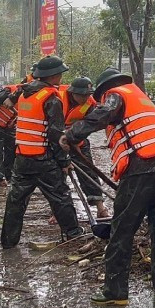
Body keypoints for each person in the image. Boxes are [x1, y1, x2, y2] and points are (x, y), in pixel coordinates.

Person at [64, 67, 155, 306]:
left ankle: (116, 292)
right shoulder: (140, 98)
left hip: (142, 165)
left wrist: (71, 135)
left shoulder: (116, 94)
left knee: (122, 231)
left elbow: (102, 114)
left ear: (104, 89)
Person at [0, 56, 83, 248]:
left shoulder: (25, 94)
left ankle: (8, 242)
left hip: (22, 158)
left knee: (15, 202)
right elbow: (56, 134)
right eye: (60, 74)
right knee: (60, 197)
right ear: (53, 76)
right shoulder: (51, 98)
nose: (61, 77)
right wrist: (64, 162)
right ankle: (73, 234)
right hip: (44, 160)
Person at [61, 76, 110, 219]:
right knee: (58, 175)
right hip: (56, 141)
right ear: (73, 92)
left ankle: (100, 208)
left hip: (77, 141)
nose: (85, 98)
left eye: (87, 95)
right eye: (82, 95)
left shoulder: (91, 105)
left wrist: (75, 143)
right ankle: (58, 212)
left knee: (88, 171)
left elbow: (88, 126)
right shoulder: (57, 98)